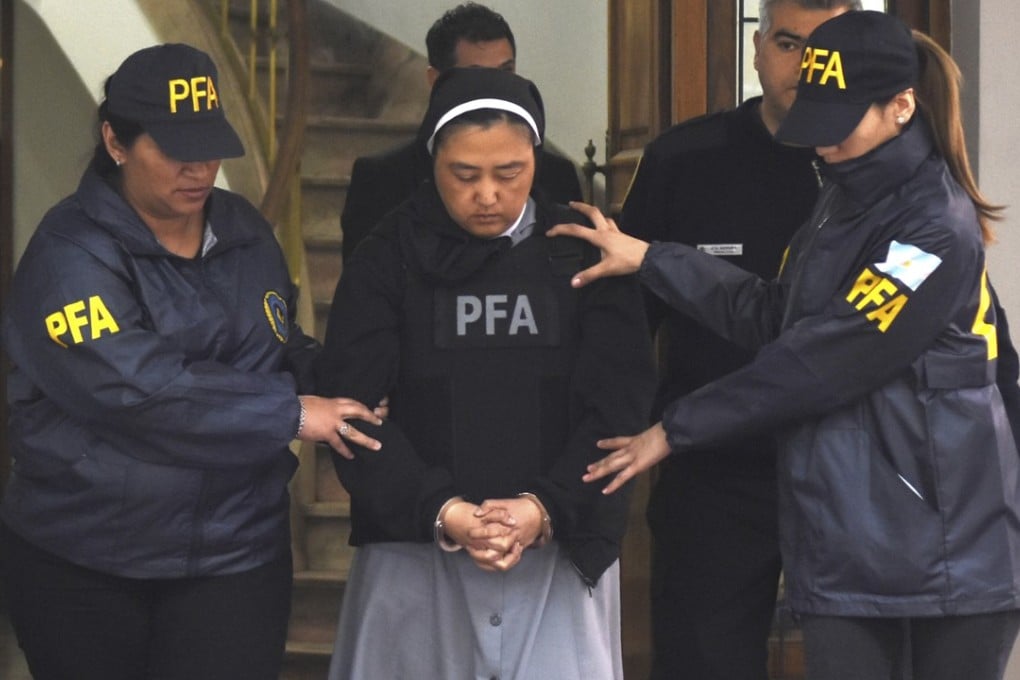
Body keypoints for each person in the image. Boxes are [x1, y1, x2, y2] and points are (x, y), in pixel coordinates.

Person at [552, 11, 1020, 680]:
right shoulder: (842, 197)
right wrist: (652, 257)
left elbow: (821, 363)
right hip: (851, 545)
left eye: (839, 123)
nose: (820, 144)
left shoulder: (930, 232)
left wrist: (674, 429)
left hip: (943, 560)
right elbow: (778, 314)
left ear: (901, 106)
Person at [0, 44, 383, 680]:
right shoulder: (68, 254)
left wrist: (340, 389)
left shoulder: (244, 231)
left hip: (236, 552)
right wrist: (288, 414)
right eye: (176, 150)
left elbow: (279, 343)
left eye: (210, 147)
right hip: (87, 558)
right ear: (116, 142)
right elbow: (139, 390)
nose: (200, 168)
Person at [315, 67, 655, 679]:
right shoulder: (385, 257)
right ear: (432, 161)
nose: (488, 195)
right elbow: (351, 416)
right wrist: (443, 510)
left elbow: (619, 414)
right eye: (464, 175)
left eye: (510, 173)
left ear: (536, 158)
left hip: (555, 551)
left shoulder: (583, 254)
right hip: (414, 551)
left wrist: (543, 509)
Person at [618, 2, 860, 677]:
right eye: (788, 43)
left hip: (854, 471)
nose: (806, 66)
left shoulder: (881, 171)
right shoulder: (685, 159)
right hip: (715, 472)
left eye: (827, 48)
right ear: (756, 48)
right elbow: (628, 325)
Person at [339, 1, 582, 263]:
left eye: (505, 73)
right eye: (464, 175)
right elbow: (362, 286)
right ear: (436, 81)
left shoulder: (557, 176)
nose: (495, 87)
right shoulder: (382, 180)